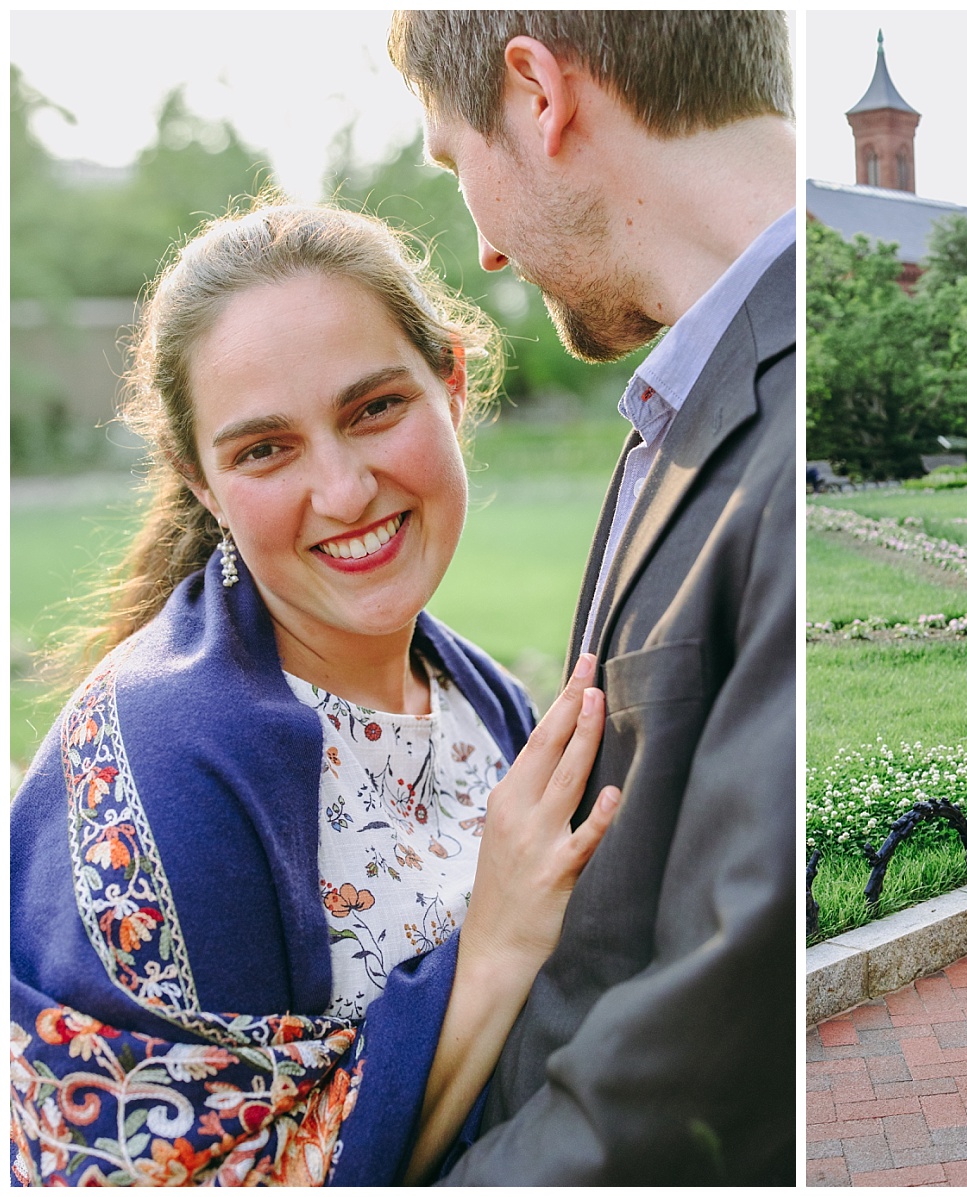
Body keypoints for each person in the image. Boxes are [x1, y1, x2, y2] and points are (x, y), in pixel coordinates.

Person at [8, 202, 627, 1185]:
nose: (342, 492)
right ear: (200, 481)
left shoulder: (485, 701)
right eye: (264, 450)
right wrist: (496, 945)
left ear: (451, 386)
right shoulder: (168, 772)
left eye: (373, 408)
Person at [387, 11, 796, 1184]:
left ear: (536, 93)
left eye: (452, 162)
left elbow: (729, 1009)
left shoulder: (777, 416)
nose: (490, 253)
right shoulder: (680, 399)